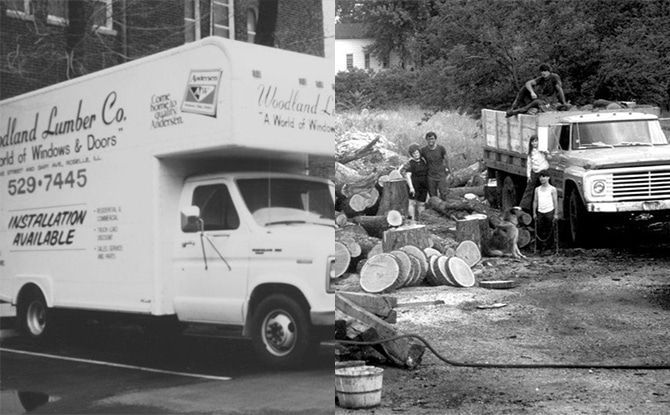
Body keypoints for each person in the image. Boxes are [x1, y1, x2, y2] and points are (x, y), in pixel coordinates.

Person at [519, 134, 549, 212]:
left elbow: (549, 157)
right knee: (529, 188)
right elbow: (529, 164)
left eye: (536, 141)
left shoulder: (542, 150)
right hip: (535, 171)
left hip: (543, 170)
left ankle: (547, 206)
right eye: (533, 141)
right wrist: (528, 175)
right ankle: (524, 206)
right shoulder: (530, 152)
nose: (534, 143)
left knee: (546, 187)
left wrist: (546, 153)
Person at [400, 143, 429, 220]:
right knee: (412, 203)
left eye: (417, 153)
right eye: (414, 153)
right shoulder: (410, 163)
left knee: (421, 204)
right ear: (411, 154)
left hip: (423, 186)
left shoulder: (423, 161)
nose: (416, 155)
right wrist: (411, 187)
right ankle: (412, 221)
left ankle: (421, 220)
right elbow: (408, 176)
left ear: (419, 152)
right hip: (414, 185)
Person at [532, 170, 558, 255]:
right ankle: (541, 247)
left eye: (544, 177)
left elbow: (555, 201)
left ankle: (550, 248)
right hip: (540, 211)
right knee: (540, 230)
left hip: (549, 211)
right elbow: (535, 201)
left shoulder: (552, 189)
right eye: (540, 177)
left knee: (549, 229)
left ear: (548, 178)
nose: (542, 179)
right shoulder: (537, 189)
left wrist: (556, 213)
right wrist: (534, 213)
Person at [420, 131, 450, 198]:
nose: (430, 140)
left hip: (441, 175)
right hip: (430, 176)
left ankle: (445, 207)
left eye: (432, 139)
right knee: (432, 195)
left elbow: (446, 160)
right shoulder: (423, 150)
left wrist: (448, 171)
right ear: (426, 140)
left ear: (435, 139)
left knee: (443, 193)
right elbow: (417, 157)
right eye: (428, 139)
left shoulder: (441, 148)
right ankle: (433, 208)